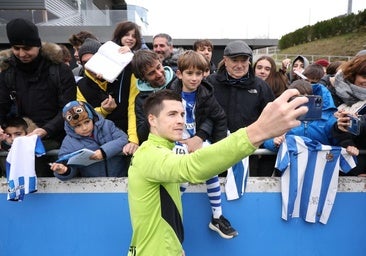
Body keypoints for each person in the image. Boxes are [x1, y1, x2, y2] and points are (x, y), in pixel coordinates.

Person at [127, 88, 309, 256]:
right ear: (152, 119)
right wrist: (258, 131)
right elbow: (191, 167)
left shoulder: (162, 151)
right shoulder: (149, 154)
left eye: (182, 114)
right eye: (172, 114)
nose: (180, 121)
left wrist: (175, 246)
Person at [169, 50, 237, 239]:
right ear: (179, 74)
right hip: (175, 142)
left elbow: (219, 117)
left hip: (198, 141)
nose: (194, 78)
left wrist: (216, 144)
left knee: (211, 165)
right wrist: (175, 140)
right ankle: (170, 215)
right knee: (182, 175)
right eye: (189, 73)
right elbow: (160, 120)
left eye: (199, 73)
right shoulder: (169, 94)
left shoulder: (206, 93)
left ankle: (217, 217)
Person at [0, 18, 77, 177]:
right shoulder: (7, 72)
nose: (22, 54)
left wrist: (45, 130)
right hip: (18, 137)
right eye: (16, 48)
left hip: (56, 138)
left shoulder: (60, 70)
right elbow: (2, 105)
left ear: (38, 45)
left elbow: (68, 108)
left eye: (27, 48)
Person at [206, 40, 275, 177]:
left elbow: (271, 118)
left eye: (243, 60)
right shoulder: (210, 83)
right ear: (225, 60)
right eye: (234, 60)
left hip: (249, 153)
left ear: (249, 61)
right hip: (216, 152)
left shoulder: (261, 86)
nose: (239, 65)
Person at [76, 38, 138, 169]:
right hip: (99, 146)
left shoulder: (127, 74)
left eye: (94, 60)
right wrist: (103, 111)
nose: (91, 66)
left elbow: (133, 108)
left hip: (128, 142)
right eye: (85, 63)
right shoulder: (81, 86)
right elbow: (82, 117)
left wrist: (133, 140)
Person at [263, 80, 359, 157]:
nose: (302, 102)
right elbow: (266, 138)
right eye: (297, 99)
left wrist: (349, 146)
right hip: (291, 168)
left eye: (306, 98)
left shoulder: (328, 119)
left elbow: (339, 139)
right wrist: (274, 142)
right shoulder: (282, 118)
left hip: (320, 168)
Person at [50, 100, 129, 180]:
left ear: (93, 118)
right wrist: (64, 171)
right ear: (71, 127)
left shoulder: (107, 125)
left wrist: (104, 152)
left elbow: (123, 139)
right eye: (78, 126)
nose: (84, 128)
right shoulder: (69, 142)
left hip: (120, 180)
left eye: (87, 122)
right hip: (92, 185)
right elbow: (65, 162)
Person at [329, 54, 366, 176]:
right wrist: (339, 128)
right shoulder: (332, 93)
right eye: (364, 76)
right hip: (335, 168)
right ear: (353, 75)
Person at [131, 49, 176, 143]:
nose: (159, 74)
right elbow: (142, 136)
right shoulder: (141, 99)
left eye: (159, 67)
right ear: (143, 78)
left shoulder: (179, 82)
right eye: (151, 73)